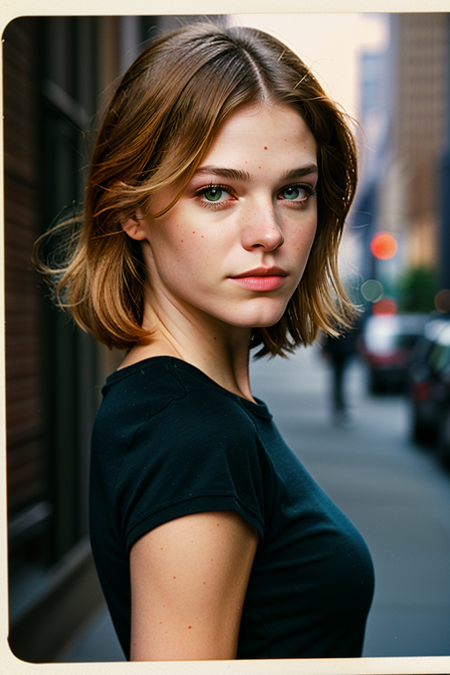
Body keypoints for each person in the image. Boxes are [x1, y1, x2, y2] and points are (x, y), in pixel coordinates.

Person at [35, 23, 374, 661]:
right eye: (215, 192)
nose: (269, 232)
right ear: (129, 209)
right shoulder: (189, 433)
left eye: (293, 191)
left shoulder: (201, 410)